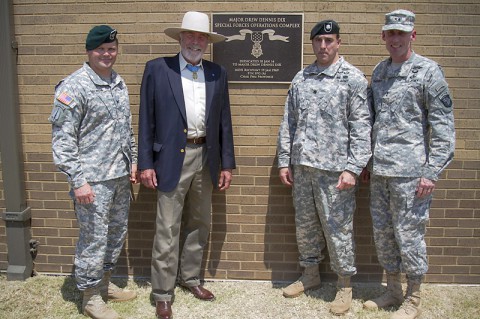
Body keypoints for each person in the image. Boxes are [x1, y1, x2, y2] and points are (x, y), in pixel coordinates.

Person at [137, 11, 236, 319]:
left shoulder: (216, 73)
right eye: (190, 35)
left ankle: (190, 278)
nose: (196, 41)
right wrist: (145, 163)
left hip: (206, 157)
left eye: (201, 37)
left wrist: (227, 164)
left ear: (207, 42)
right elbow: (146, 121)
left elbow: (224, 122)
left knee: (199, 223)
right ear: (179, 38)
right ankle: (163, 293)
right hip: (169, 160)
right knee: (167, 227)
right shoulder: (157, 69)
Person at [362, 10, 455, 319]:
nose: (396, 38)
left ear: (413, 35)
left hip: (411, 175)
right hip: (380, 173)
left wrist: (431, 172)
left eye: (402, 33)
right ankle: (392, 290)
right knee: (384, 234)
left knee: (409, 235)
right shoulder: (379, 72)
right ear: (384, 37)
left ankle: (413, 298)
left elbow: (443, 129)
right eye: (391, 33)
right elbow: (372, 121)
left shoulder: (428, 72)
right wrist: (366, 163)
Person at [277, 20, 372, 315]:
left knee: (338, 230)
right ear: (312, 43)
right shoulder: (301, 78)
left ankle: (345, 286)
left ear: (339, 42)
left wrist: (353, 168)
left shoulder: (353, 79)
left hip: (336, 173)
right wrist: (284, 160)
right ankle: (310, 275)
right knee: (305, 227)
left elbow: (362, 129)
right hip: (303, 169)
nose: (323, 46)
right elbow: (288, 123)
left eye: (329, 40)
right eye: (318, 41)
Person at [49, 25, 138, 319]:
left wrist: (133, 161)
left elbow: (126, 129)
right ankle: (89, 297)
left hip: (119, 177)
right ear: (89, 51)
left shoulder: (118, 83)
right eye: (100, 49)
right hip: (92, 181)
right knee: (93, 238)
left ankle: (105, 283)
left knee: (115, 234)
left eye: (111, 49)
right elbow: (63, 140)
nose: (107, 54)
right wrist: (78, 180)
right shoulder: (73, 86)